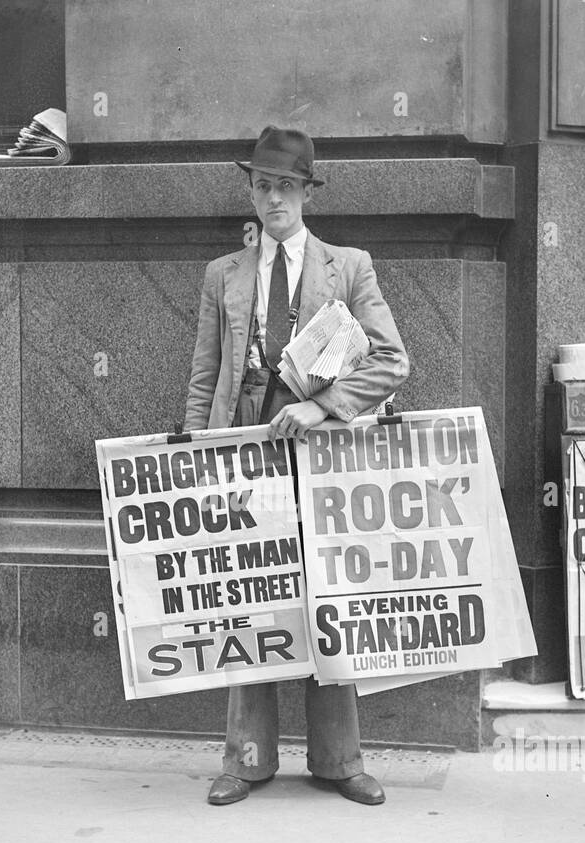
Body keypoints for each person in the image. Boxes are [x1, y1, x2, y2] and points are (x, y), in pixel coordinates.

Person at [184, 125, 409, 806]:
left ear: (307, 192)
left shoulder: (349, 265)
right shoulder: (223, 274)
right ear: (250, 193)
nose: (273, 198)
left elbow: (392, 359)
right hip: (245, 454)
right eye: (262, 185)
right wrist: (198, 454)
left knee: (326, 597)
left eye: (285, 186)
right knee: (248, 599)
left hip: (320, 458)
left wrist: (324, 408)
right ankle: (246, 760)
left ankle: (339, 761)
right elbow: (204, 377)